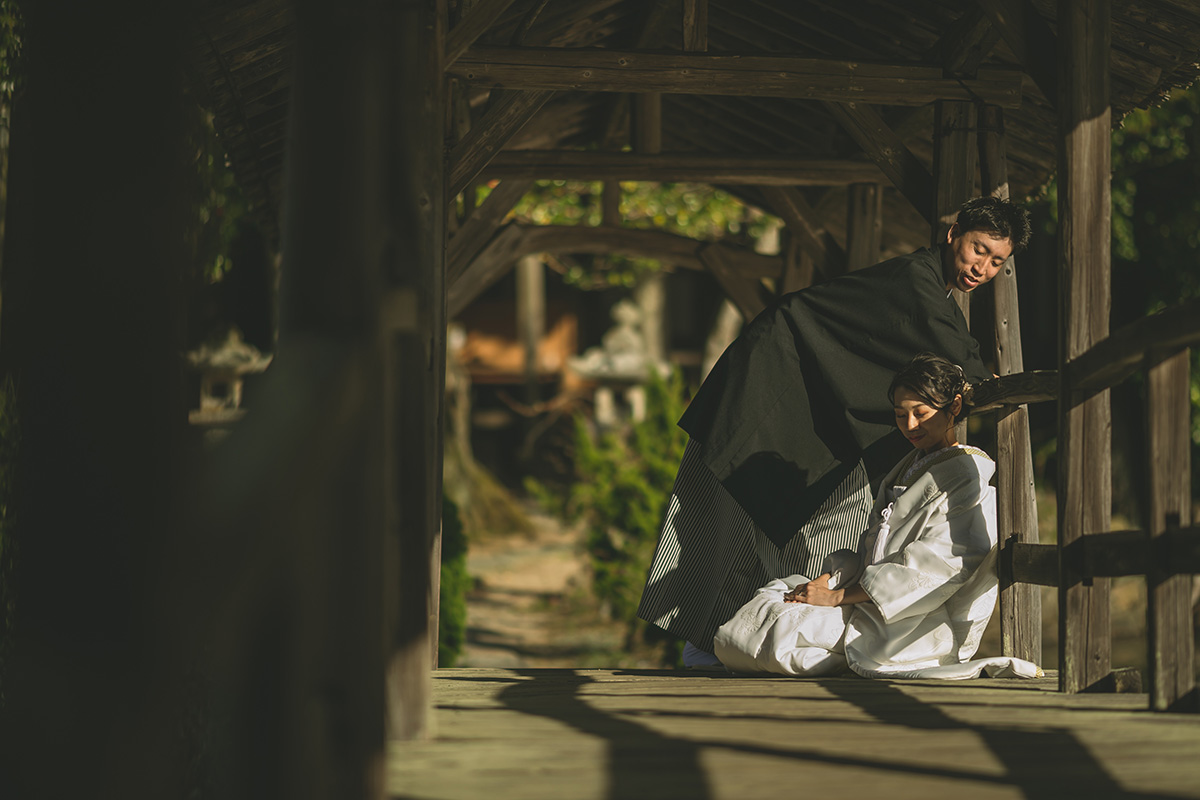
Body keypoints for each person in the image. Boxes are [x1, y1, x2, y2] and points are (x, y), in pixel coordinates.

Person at [636, 197, 1032, 667]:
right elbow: (958, 354)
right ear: (952, 235)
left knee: (773, 521)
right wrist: (999, 385)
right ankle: (712, 641)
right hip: (767, 380)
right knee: (730, 517)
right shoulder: (914, 280)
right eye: (977, 249)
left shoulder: (931, 290)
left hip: (796, 395)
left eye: (996, 261)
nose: (981, 267)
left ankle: (733, 639)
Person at [711, 353, 1040, 679]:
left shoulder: (967, 478)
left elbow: (936, 567)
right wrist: (833, 580)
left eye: (920, 413)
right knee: (774, 600)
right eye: (900, 415)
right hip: (868, 597)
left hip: (912, 622)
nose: (910, 425)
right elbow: (876, 550)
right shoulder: (913, 465)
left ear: (954, 406)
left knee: (773, 633)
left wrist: (837, 597)